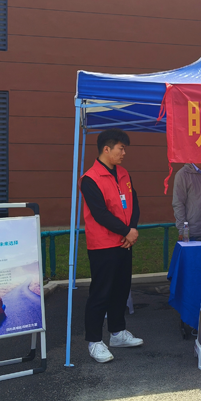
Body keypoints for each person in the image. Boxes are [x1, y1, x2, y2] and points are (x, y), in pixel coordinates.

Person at [80, 128, 143, 363]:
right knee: (101, 293)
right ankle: (94, 341)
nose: (124, 153)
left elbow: (134, 203)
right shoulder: (90, 179)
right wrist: (126, 231)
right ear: (106, 149)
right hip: (103, 245)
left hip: (124, 242)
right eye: (121, 148)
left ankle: (117, 332)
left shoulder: (124, 173)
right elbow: (100, 214)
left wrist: (132, 230)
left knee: (121, 289)